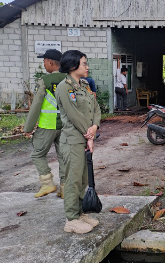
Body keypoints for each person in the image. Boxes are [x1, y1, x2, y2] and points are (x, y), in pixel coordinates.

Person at [56, 50, 101, 234]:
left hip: (84, 139)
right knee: (73, 180)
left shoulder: (83, 86)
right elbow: (74, 115)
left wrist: (95, 126)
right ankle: (71, 219)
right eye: (84, 63)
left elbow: (96, 108)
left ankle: (81, 213)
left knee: (83, 178)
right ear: (73, 66)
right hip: (73, 141)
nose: (87, 66)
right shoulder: (64, 88)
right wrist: (89, 134)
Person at [23, 49, 67, 198]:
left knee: (37, 154)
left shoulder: (44, 81)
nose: (44, 65)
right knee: (64, 157)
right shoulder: (70, 79)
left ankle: (47, 183)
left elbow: (36, 106)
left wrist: (28, 128)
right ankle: (65, 188)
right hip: (66, 126)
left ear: (50, 62)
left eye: (44, 62)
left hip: (47, 126)